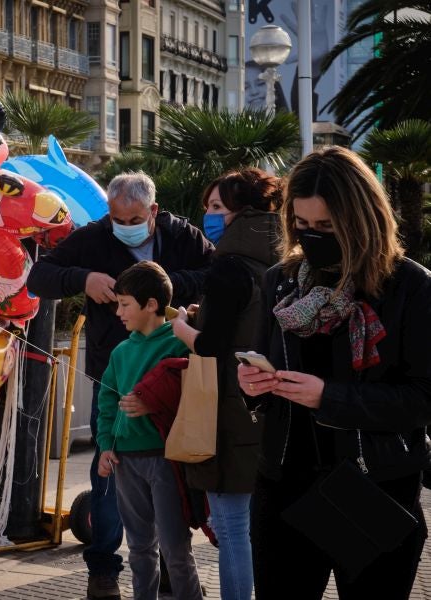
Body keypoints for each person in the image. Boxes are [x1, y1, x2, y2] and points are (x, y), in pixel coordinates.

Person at [238, 146, 431, 599]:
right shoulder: (281, 281)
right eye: (302, 226)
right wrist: (253, 386)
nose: (311, 236)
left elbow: (424, 397)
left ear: (360, 220)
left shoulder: (410, 286)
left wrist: (330, 397)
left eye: (325, 227)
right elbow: (269, 367)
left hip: (374, 488)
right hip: (283, 486)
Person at [26, 171, 213, 600]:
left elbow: (215, 271)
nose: (124, 223)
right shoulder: (93, 237)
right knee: (109, 473)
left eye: (133, 216)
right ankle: (104, 570)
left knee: (173, 481)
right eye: (116, 216)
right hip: (115, 367)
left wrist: (161, 287)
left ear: (154, 212)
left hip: (173, 382)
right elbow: (40, 277)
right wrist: (83, 279)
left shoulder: (182, 235)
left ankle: (173, 565)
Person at [169, 168, 281, 600]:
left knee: (233, 527)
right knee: (261, 524)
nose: (208, 216)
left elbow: (212, 346)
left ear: (242, 211)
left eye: (216, 207)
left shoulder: (228, 267)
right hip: (273, 403)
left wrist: (182, 326)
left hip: (228, 410)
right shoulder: (283, 261)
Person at [97, 261, 203, 600]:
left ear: (152, 305)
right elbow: (106, 403)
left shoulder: (178, 342)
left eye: (125, 304)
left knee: (175, 548)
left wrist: (152, 403)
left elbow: (196, 394)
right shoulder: (120, 351)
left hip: (165, 459)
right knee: (139, 547)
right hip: (126, 460)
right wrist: (104, 446)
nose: (118, 313)